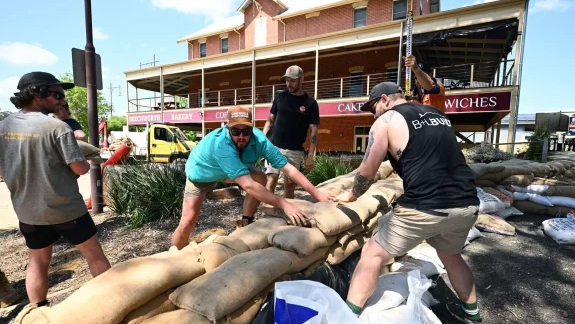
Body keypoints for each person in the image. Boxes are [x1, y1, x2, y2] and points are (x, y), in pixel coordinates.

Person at [338, 82, 482, 323]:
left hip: (424, 205)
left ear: (384, 99)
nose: (373, 114)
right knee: (451, 255)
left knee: (372, 253)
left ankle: (345, 316)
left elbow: (367, 172)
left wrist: (350, 196)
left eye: (373, 107)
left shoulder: (385, 120)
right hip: (466, 202)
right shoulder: (438, 115)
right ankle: (473, 315)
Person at [1, 72, 111, 307]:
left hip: (28, 212)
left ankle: (37, 312)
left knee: (38, 261)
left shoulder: (3, 127)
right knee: (95, 256)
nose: (62, 100)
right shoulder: (57, 127)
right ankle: (110, 305)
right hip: (66, 210)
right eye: (57, 94)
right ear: (38, 94)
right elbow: (80, 169)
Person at [172, 105, 336, 250]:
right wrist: (284, 204)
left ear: (252, 129)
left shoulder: (260, 140)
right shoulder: (221, 144)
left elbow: (289, 169)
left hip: (230, 171)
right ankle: (173, 254)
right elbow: (248, 186)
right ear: (228, 129)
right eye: (236, 131)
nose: (241, 136)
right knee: (188, 222)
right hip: (201, 174)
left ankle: (246, 222)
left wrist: (316, 193)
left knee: (260, 177)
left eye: (246, 131)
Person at [263, 65, 319, 199]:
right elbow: (270, 121)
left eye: (293, 80)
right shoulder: (280, 97)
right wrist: (262, 141)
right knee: (271, 180)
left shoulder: (310, 103)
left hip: (295, 151)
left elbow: (314, 130)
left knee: (290, 186)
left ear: (302, 80)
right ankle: (267, 214)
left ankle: (287, 213)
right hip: (274, 147)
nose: (289, 84)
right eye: (287, 80)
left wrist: (311, 155)